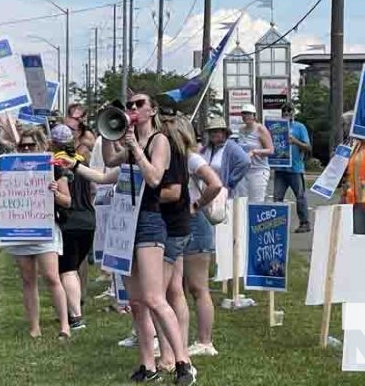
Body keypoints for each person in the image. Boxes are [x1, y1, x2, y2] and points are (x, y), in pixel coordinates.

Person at [63, 94, 197, 384]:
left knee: (153, 297)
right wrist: (73, 163)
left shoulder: (159, 140)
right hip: (125, 223)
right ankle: (147, 364)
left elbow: (154, 178)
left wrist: (135, 147)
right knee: (136, 301)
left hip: (149, 222)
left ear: (151, 110)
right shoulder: (129, 143)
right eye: (129, 106)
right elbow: (107, 168)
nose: (133, 109)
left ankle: (183, 362)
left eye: (138, 104)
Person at [154, 111, 223, 370]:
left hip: (193, 223)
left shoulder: (191, 158)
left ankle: (205, 340)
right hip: (177, 223)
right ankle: (178, 343)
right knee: (176, 289)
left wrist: (196, 204)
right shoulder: (174, 158)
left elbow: (215, 184)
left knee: (198, 287)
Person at [0, 125, 71, 340]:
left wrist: (55, 193)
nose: (26, 150)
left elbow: (67, 200)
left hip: (44, 229)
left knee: (52, 277)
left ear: (40, 145)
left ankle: (65, 325)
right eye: (22, 146)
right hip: (20, 229)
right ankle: (34, 327)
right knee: (28, 279)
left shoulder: (53, 166)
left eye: (30, 145)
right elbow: (5, 197)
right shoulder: (10, 167)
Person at [185, 113, 249, 357]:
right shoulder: (204, 150)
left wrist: (227, 183)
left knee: (221, 239)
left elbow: (243, 163)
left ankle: (204, 338)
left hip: (218, 197)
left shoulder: (231, 149)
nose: (215, 135)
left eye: (218, 131)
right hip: (205, 199)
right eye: (212, 132)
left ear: (225, 132)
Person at [50, 124, 95, 331]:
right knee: (74, 269)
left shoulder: (56, 163)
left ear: (53, 143)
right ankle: (72, 309)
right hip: (88, 220)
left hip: (69, 221)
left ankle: (76, 317)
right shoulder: (80, 161)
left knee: (67, 271)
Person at [273, 102, 312, 233]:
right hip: (280, 169)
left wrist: (295, 141)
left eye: (290, 112)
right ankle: (276, 224)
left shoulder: (300, 127)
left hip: (295, 168)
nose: (287, 115)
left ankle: (304, 223)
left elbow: (308, 147)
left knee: (300, 196)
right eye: (285, 113)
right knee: (277, 197)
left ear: (293, 113)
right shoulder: (276, 127)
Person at [235, 103, 274, 202]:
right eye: (244, 114)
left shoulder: (261, 129)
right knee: (241, 201)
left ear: (254, 116)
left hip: (258, 170)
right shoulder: (241, 130)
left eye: (249, 114)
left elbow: (270, 150)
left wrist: (255, 151)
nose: (246, 116)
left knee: (255, 201)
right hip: (243, 170)